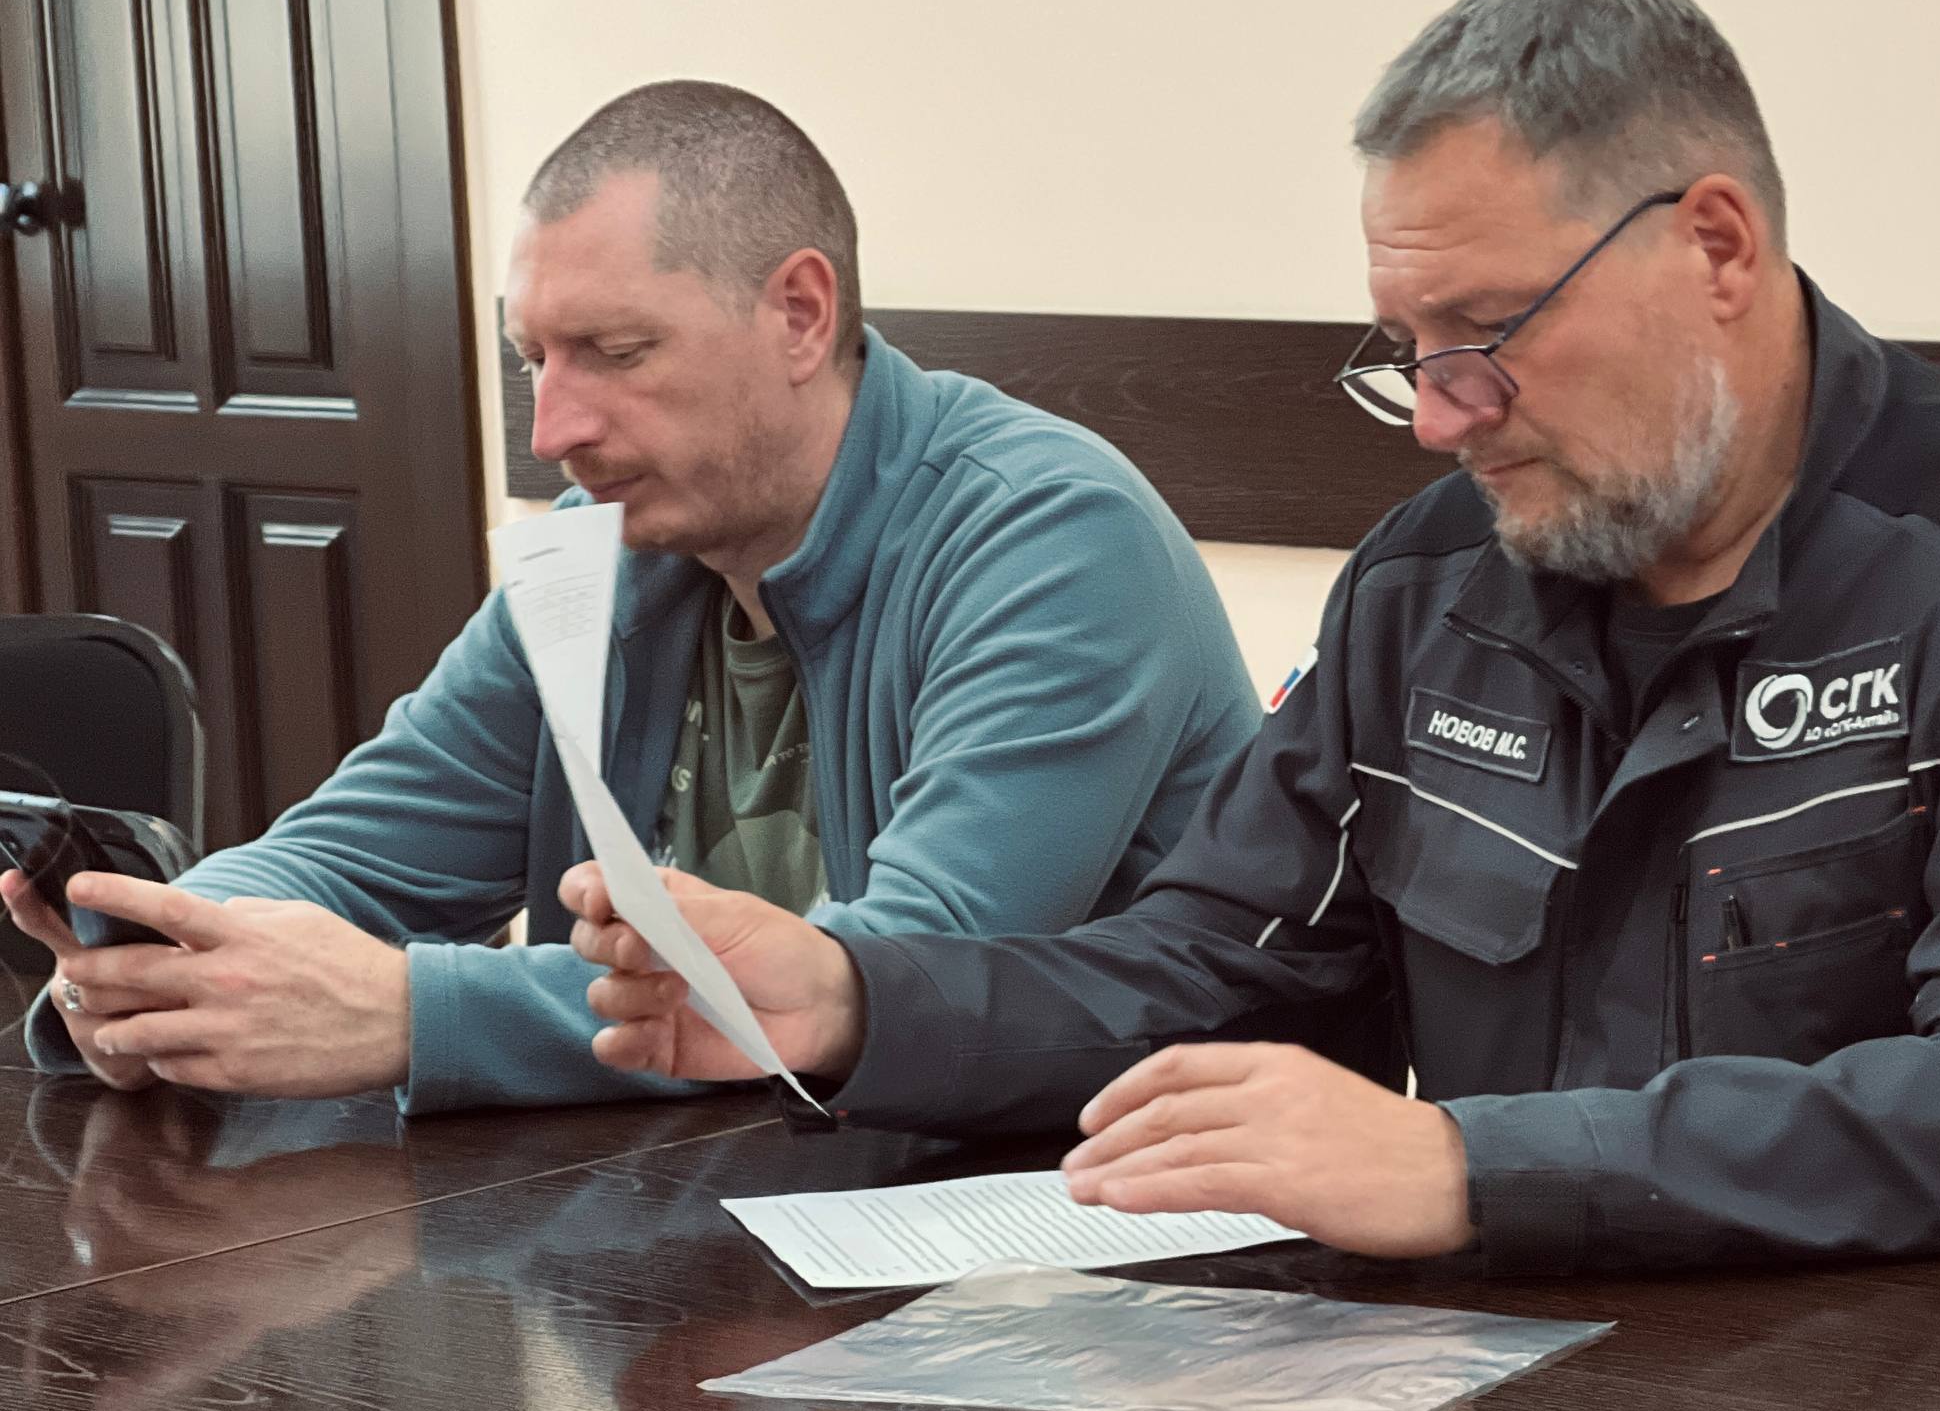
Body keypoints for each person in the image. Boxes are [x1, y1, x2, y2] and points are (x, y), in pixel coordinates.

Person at [563, 0, 1940, 1271]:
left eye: (1485, 333)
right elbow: (1216, 965)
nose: (1443, 414)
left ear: (1718, 248)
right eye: (1407, 348)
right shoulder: (1434, 577)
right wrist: (860, 997)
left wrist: (1465, 1163)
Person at [13, 81, 1279, 1113]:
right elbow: (356, 852)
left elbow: (909, 969)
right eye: (533, 360)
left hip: (1051, 1234)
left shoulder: (1053, 537)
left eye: (615, 353)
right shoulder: (594, 553)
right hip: (703, 1215)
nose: (552, 429)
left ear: (799, 313)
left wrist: (407, 1012)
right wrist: (160, 961)